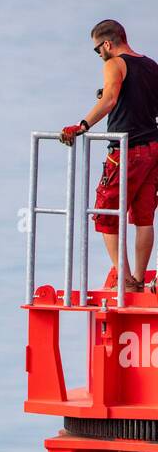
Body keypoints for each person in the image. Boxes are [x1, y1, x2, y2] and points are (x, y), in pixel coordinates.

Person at [60, 20, 158, 292]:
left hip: (126, 150)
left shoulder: (114, 64)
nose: (98, 55)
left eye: (97, 49)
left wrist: (82, 125)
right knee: (143, 217)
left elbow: (110, 100)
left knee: (105, 214)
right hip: (152, 149)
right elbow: (145, 103)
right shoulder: (151, 66)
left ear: (107, 43)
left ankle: (124, 280)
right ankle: (139, 279)